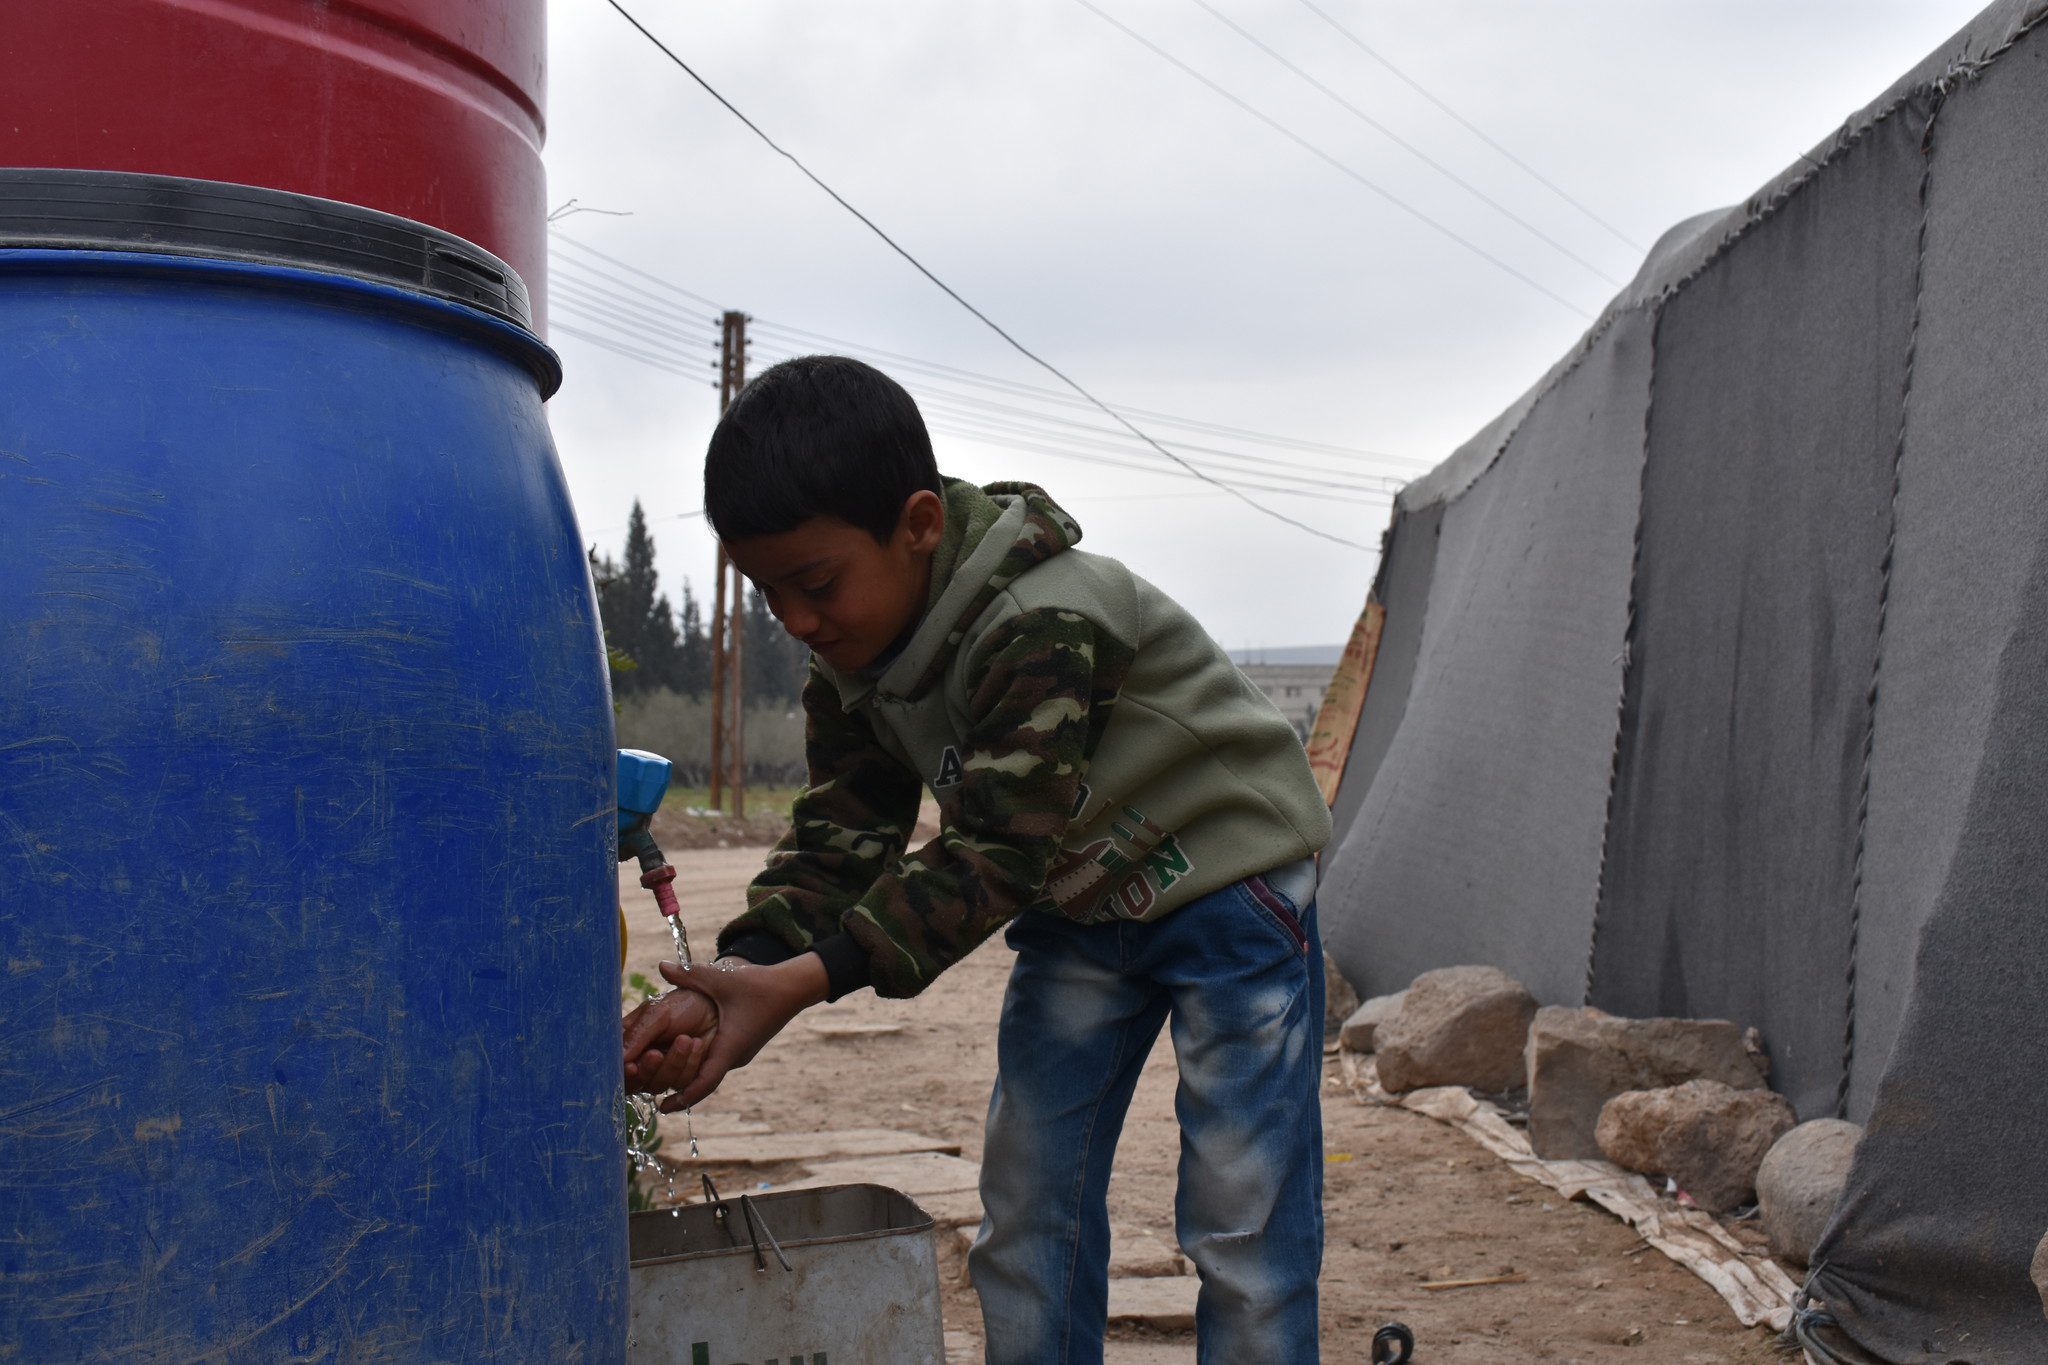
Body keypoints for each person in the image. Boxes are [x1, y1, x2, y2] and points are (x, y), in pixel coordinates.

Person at [621, 354, 1332, 1363]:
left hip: (1227, 887)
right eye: (767, 592)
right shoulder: (852, 662)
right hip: (1083, 913)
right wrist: (734, 972)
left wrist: (806, 981)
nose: (796, 622)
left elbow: (995, 847)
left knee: (1240, 1220)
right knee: (1027, 1210)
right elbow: (839, 838)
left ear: (916, 525)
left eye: (814, 583)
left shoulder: (1038, 621)